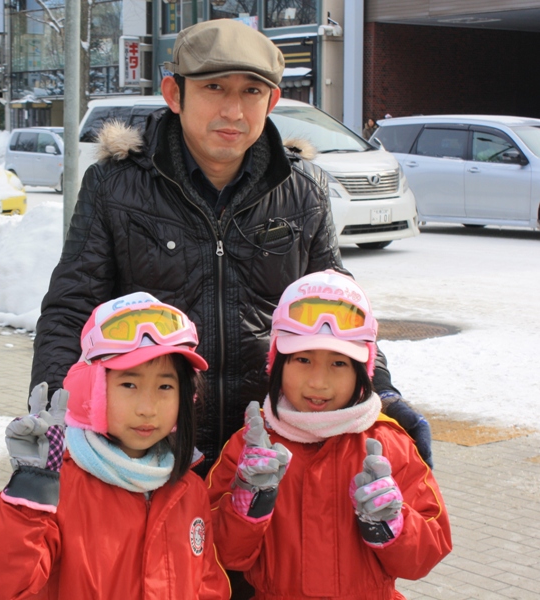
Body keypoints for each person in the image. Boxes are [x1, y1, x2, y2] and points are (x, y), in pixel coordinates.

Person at [30, 18, 431, 475]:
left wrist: (385, 396)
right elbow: (70, 308)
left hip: (270, 451)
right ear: (175, 94)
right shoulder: (114, 186)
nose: (234, 111)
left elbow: (340, 313)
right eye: (215, 88)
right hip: (153, 452)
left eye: (251, 92)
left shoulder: (304, 190)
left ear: (272, 100)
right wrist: (55, 410)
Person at [0, 292, 231, 599]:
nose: (147, 408)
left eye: (165, 386)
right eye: (129, 384)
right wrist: (25, 501)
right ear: (93, 390)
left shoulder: (188, 490)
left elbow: (208, 584)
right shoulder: (58, 487)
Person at [206, 270, 452, 599]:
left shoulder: (388, 444)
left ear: (362, 372)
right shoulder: (253, 447)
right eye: (303, 359)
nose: (318, 382)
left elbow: (424, 557)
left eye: (338, 363)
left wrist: (392, 523)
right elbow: (219, 553)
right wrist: (246, 504)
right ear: (277, 364)